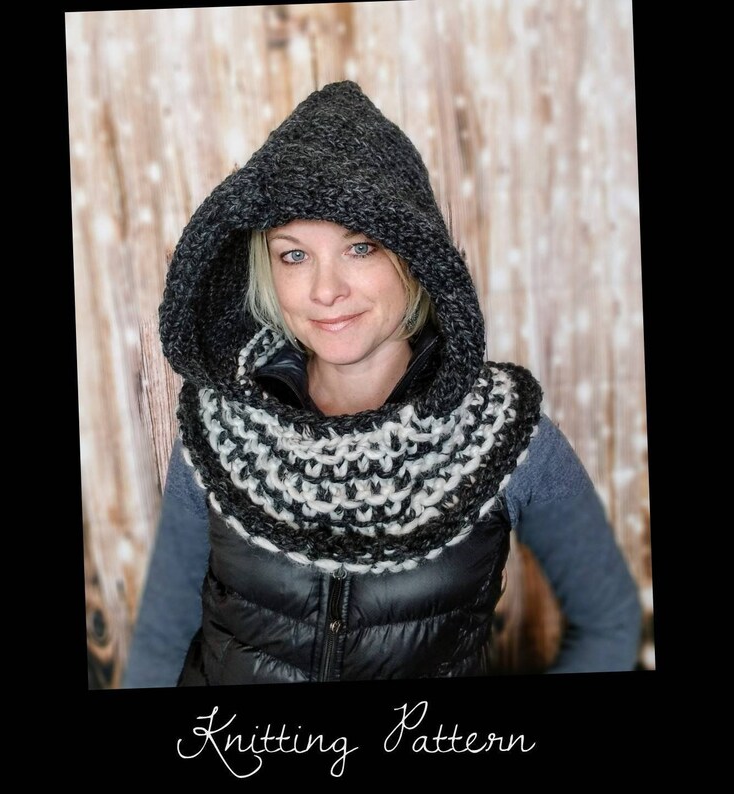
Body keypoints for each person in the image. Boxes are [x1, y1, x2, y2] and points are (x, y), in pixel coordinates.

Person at [123, 81, 642, 687]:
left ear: (414, 259)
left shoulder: (503, 434)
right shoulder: (219, 425)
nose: (325, 291)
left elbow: (608, 620)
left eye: (360, 247)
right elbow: (162, 639)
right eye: (294, 255)